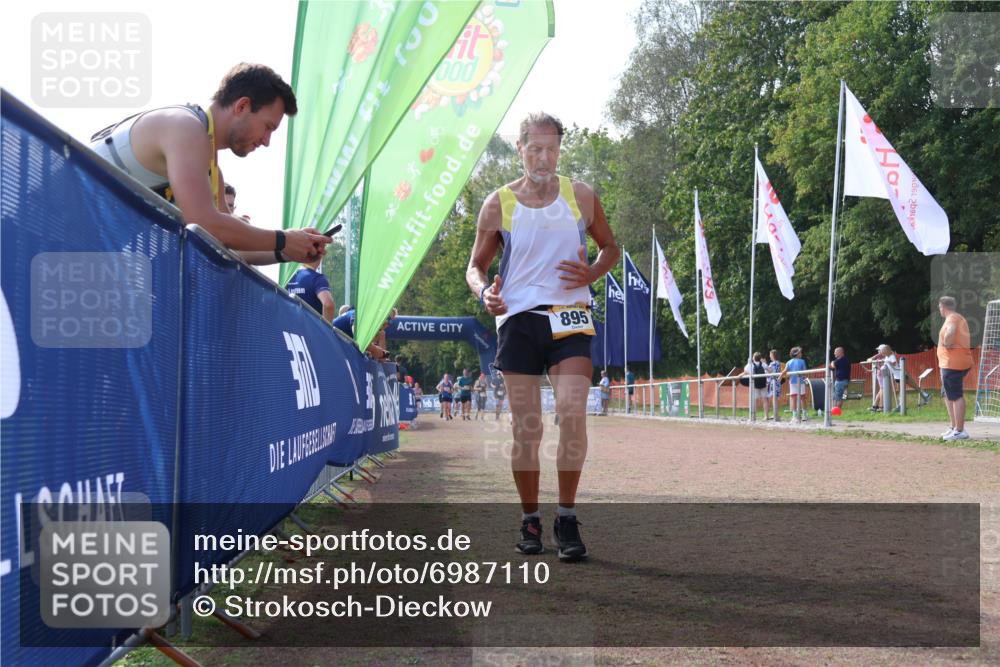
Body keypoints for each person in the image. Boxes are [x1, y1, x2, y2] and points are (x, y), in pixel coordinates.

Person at [466, 111, 619, 561]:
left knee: (573, 411)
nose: (544, 156)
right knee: (526, 428)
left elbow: (611, 247)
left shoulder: (582, 196)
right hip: (517, 319)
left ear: (559, 150)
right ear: (520, 148)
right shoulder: (498, 203)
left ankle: (566, 518)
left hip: (570, 315)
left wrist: (591, 271)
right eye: (535, 147)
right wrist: (483, 294)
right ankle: (530, 518)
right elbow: (476, 267)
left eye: (552, 148)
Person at [89, 63, 328, 264]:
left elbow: (231, 243)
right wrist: (284, 239)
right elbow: (206, 224)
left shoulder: (211, 165)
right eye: (268, 127)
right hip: (62, 237)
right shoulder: (186, 127)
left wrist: (289, 249)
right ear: (242, 106)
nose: (266, 142)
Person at [937, 296, 973, 441]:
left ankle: (960, 431)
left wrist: (947, 342)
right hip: (950, 363)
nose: (939, 309)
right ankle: (953, 427)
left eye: (939, 307)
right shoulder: (955, 317)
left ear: (943, 307)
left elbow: (951, 332)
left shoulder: (952, 318)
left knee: (956, 395)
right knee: (947, 393)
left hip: (953, 363)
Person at [286, 257, 335, 323]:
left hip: (289, 327)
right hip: (310, 329)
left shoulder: (287, 279)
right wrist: (326, 330)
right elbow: (328, 304)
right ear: (319, 257)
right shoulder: (317, 278)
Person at [783, 346, 808, 422]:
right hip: (800, 382)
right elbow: (805, 373)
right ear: (797, 354)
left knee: (794, 398)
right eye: (800, 352)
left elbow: (785, 372)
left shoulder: (788, 362)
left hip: (792, 382)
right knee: (802, 398)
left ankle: (795, 416)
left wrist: (782, 377)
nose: (801, 354)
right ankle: (804, 415)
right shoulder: (802, 361)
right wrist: (806, 380)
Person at [741, 352, 768, 418]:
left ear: (753, 358)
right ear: (760, 358)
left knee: (754, 400)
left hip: (755, 384)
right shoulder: (763, 364)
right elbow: (770, 370)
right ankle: (766, 416)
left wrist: (739, 376)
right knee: (765, 400)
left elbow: (745, 372)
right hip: (763, 383)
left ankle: (754, 416)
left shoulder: (750, 365)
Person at [829, 347, 851, 411]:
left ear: (840, 352)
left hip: (840, 382)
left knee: (837, 397)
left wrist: (832, 363)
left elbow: (832, 367)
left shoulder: (838, 361)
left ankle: (836, 411)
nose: (834, 353)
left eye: (835, 352)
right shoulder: (847, 360)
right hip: (846, 381)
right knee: (843, 397)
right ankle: (839, 409)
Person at [764, 349, 782, 421]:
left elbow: (771, 373)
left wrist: (765, 365)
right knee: (775, 399)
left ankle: (776, 415)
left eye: (770, 355)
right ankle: (776, 414)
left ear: (773, 355)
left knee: (774, 399)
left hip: (773, 382)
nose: (769, 356)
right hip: (776, 382)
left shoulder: (773, 363)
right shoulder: (778, 363)